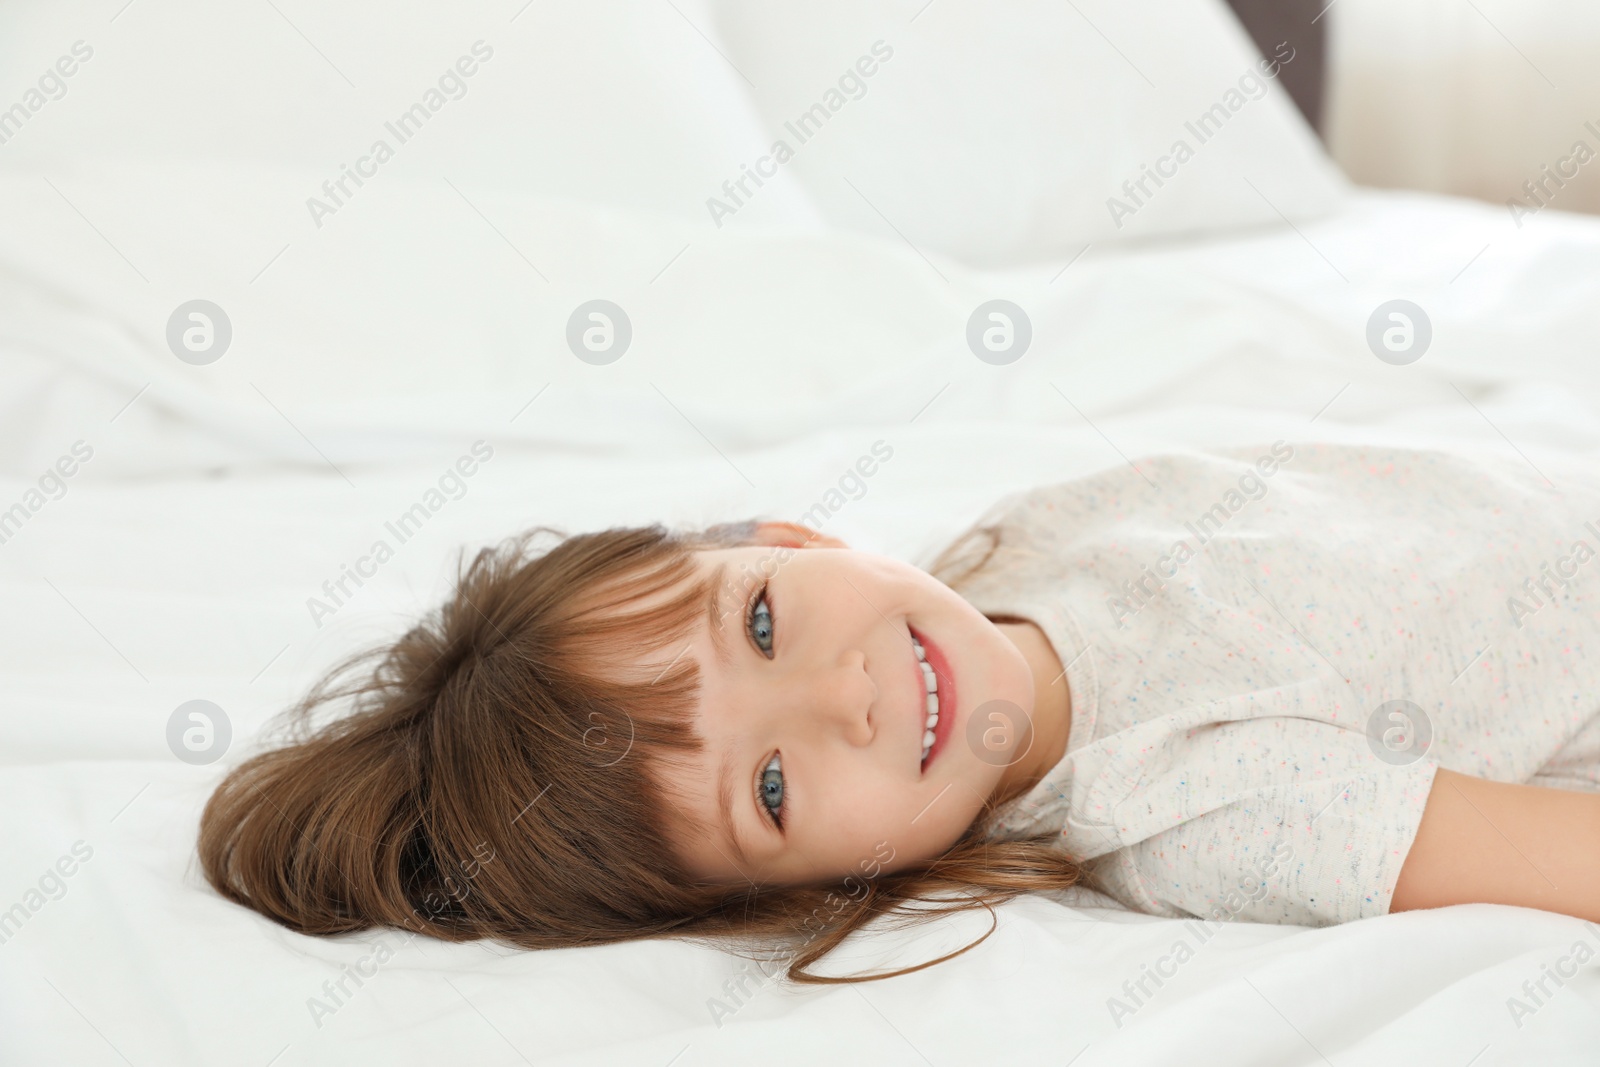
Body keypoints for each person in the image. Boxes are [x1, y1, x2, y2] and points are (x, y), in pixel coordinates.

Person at [198, 441, 1600, 983]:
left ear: (796, 540)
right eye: (771, 790)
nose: (843, 695)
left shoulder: (1024, 534)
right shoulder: (1201, 810)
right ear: (827, 886)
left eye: (758, 623)